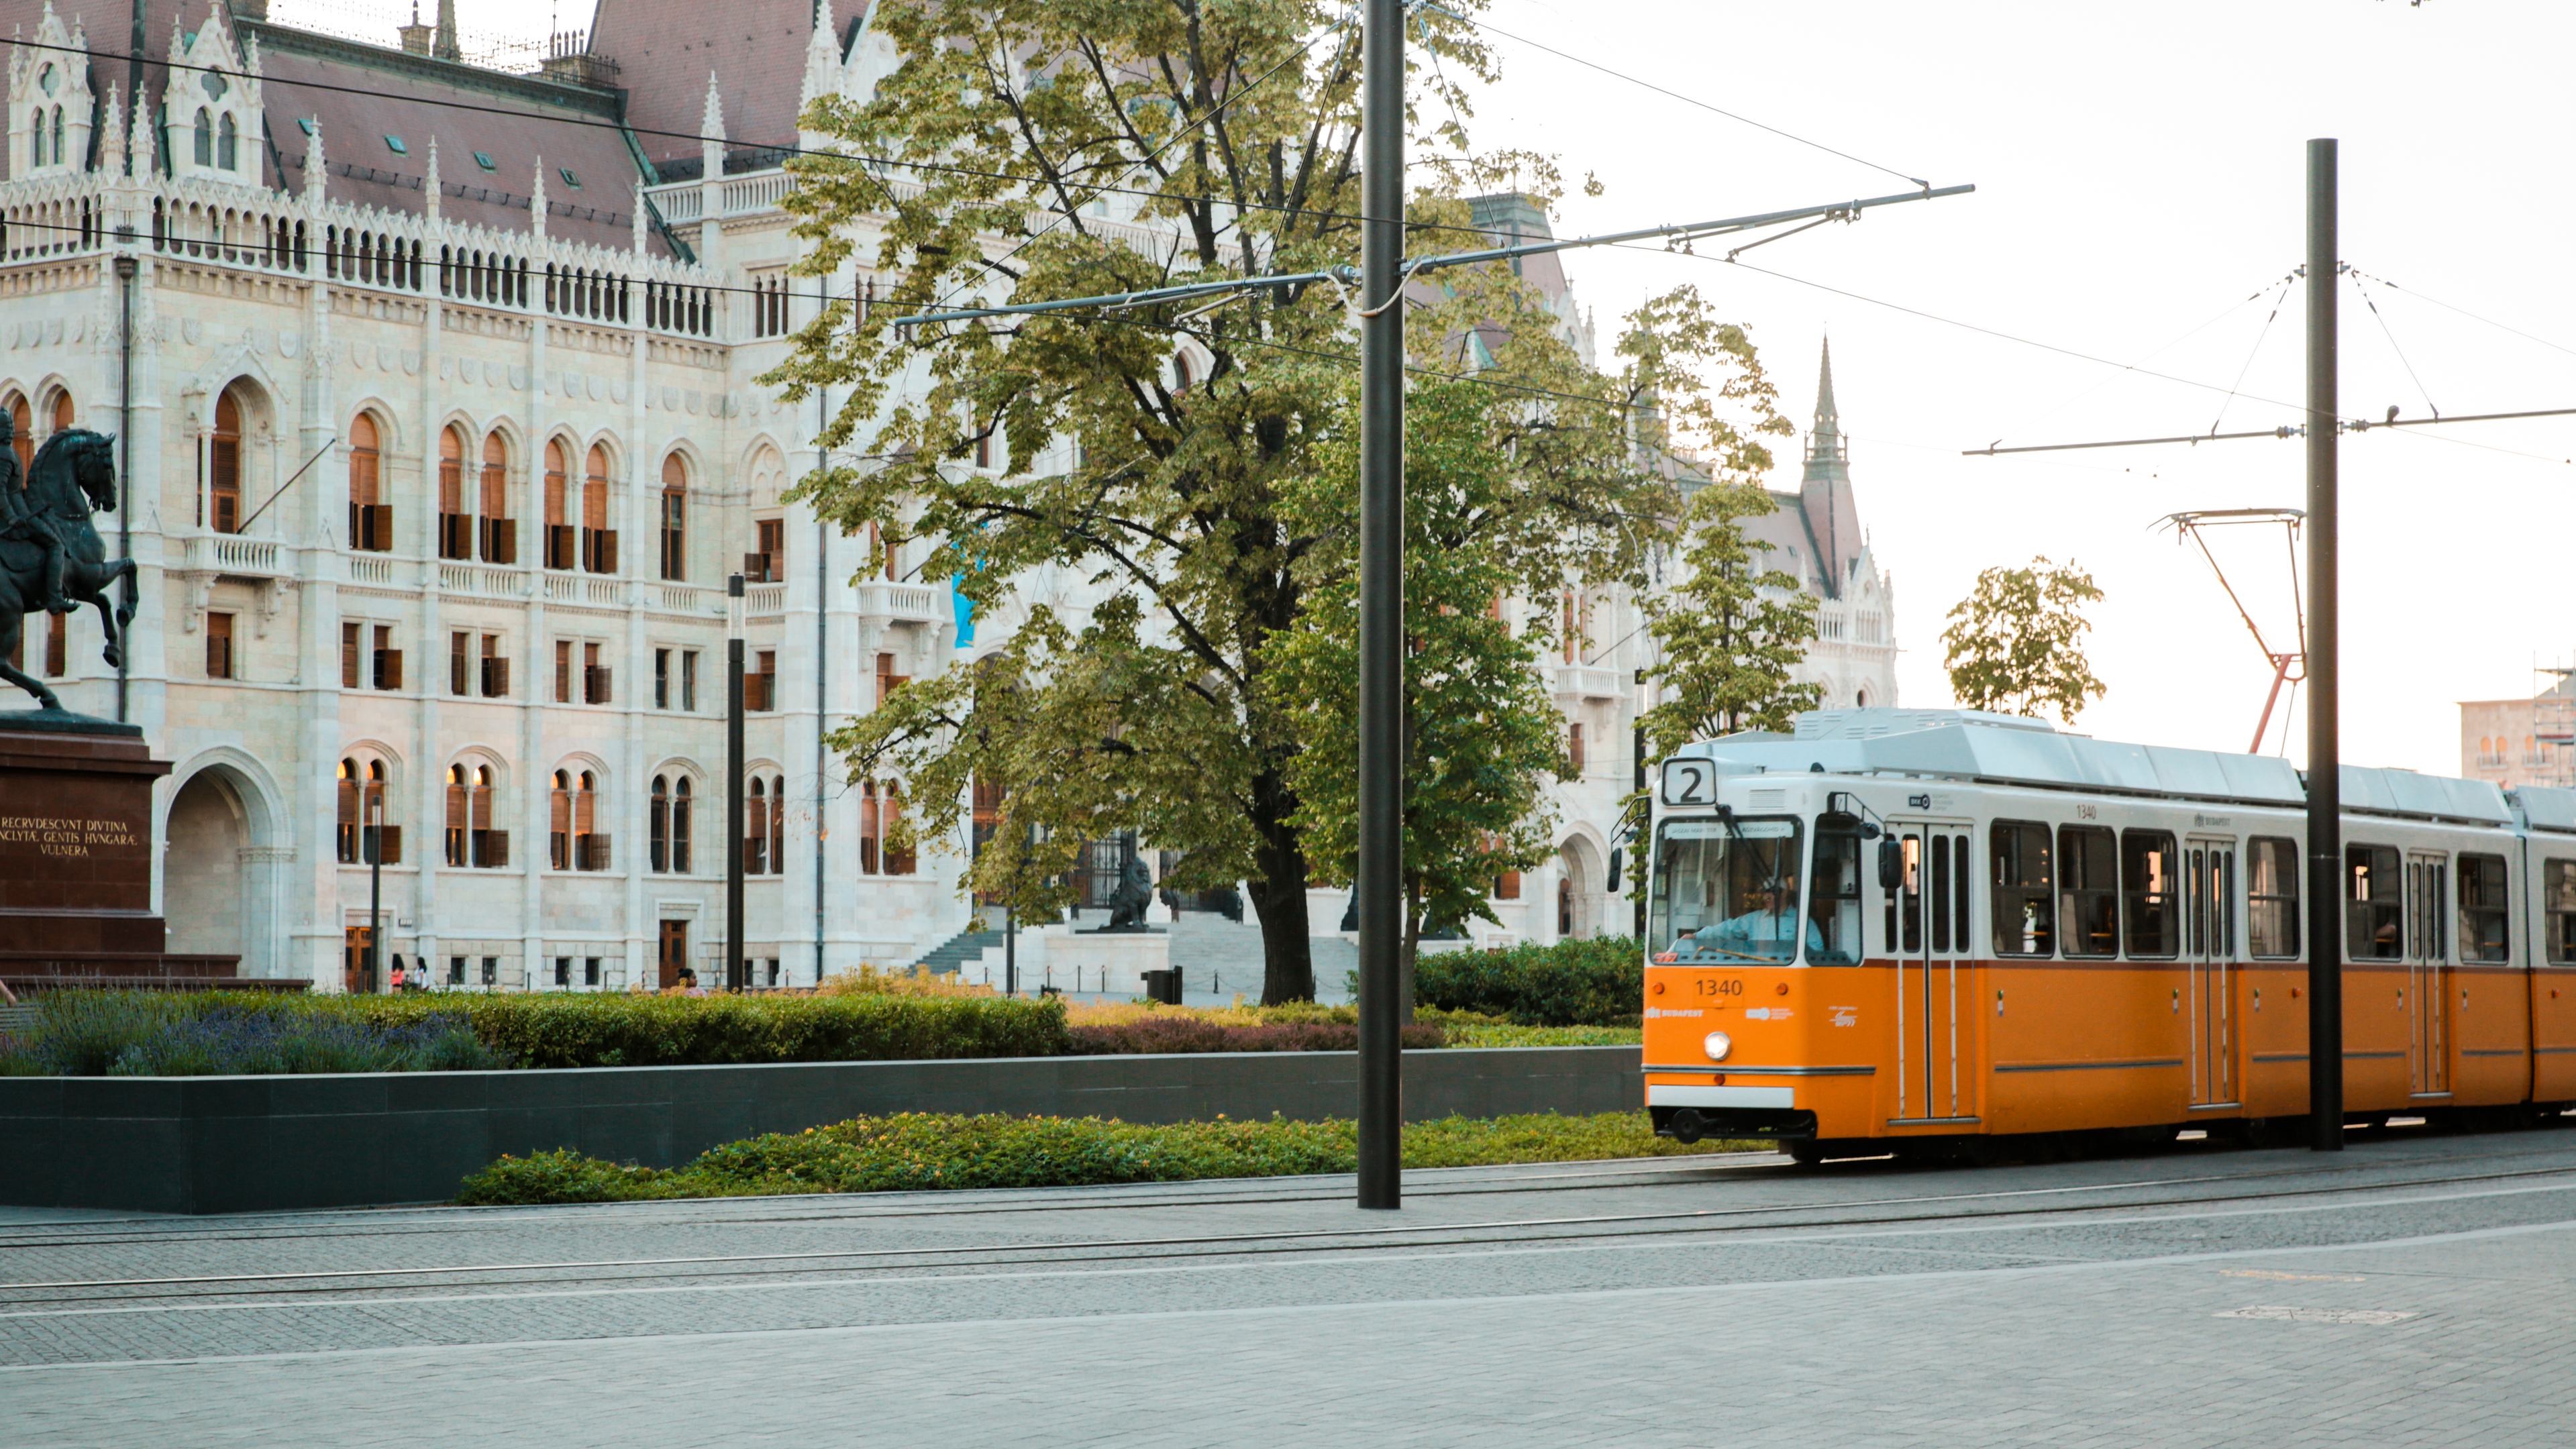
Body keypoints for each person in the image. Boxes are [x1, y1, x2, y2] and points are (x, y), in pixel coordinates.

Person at [0, 412, 70, 616]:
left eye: (12, 426)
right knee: (56, 544)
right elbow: (1, 491)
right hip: (17, 516)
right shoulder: (5, 455)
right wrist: (12, 517)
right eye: (7, 427)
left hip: (21, 510)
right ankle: (55, 598)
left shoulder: (7, 453)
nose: (11, 431)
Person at [1706, 882, 1823, 961]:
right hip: (1757, 971)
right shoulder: (1753, 919)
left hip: (1789, 973)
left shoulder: (1802, 920)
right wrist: (1697, 935)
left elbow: (1816, 950)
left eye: (1773, 892)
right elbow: (1728, 928)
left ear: (1785, 893)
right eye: (1765, 892)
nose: (1767, 896)